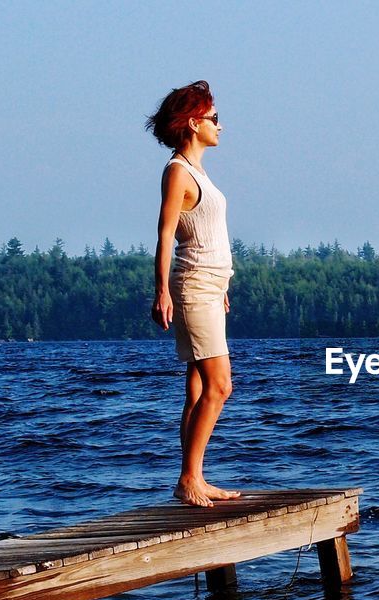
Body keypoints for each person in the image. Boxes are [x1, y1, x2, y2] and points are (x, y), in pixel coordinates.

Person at [146, 80, 241, 508]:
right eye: (214, 118)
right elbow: (166, 234)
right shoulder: (178, 171)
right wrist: (161, 291)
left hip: (209, 288)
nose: (220, 125)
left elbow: (208, 234)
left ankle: (193, 478)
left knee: (198, 387)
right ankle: (189, 479)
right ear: (193, 123)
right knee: (220, 386)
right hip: (192, 287)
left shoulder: (199, 171)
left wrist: (221, 286)